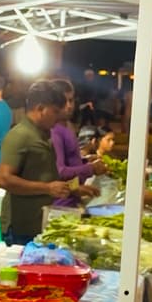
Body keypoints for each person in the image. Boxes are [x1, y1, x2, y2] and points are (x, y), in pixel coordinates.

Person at [0, 80, 71, 243]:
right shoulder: (20, 135)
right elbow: (4, 179)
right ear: (40, 109)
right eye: (55, 111)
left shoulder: (43, 135)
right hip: (20, 226)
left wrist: (70, 189)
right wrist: (47, 188)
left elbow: (42, 175)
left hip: (38, 224)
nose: (58, 117)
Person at [50, 78, 105, 207]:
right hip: (60, 204)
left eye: (71, 100)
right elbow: (60, 171)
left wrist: (85, 160)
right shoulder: (54, 131)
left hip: (71, 199)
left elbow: (68, 161)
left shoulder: (67, 126)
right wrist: (90, 168)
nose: (69, 106)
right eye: (64, 101)